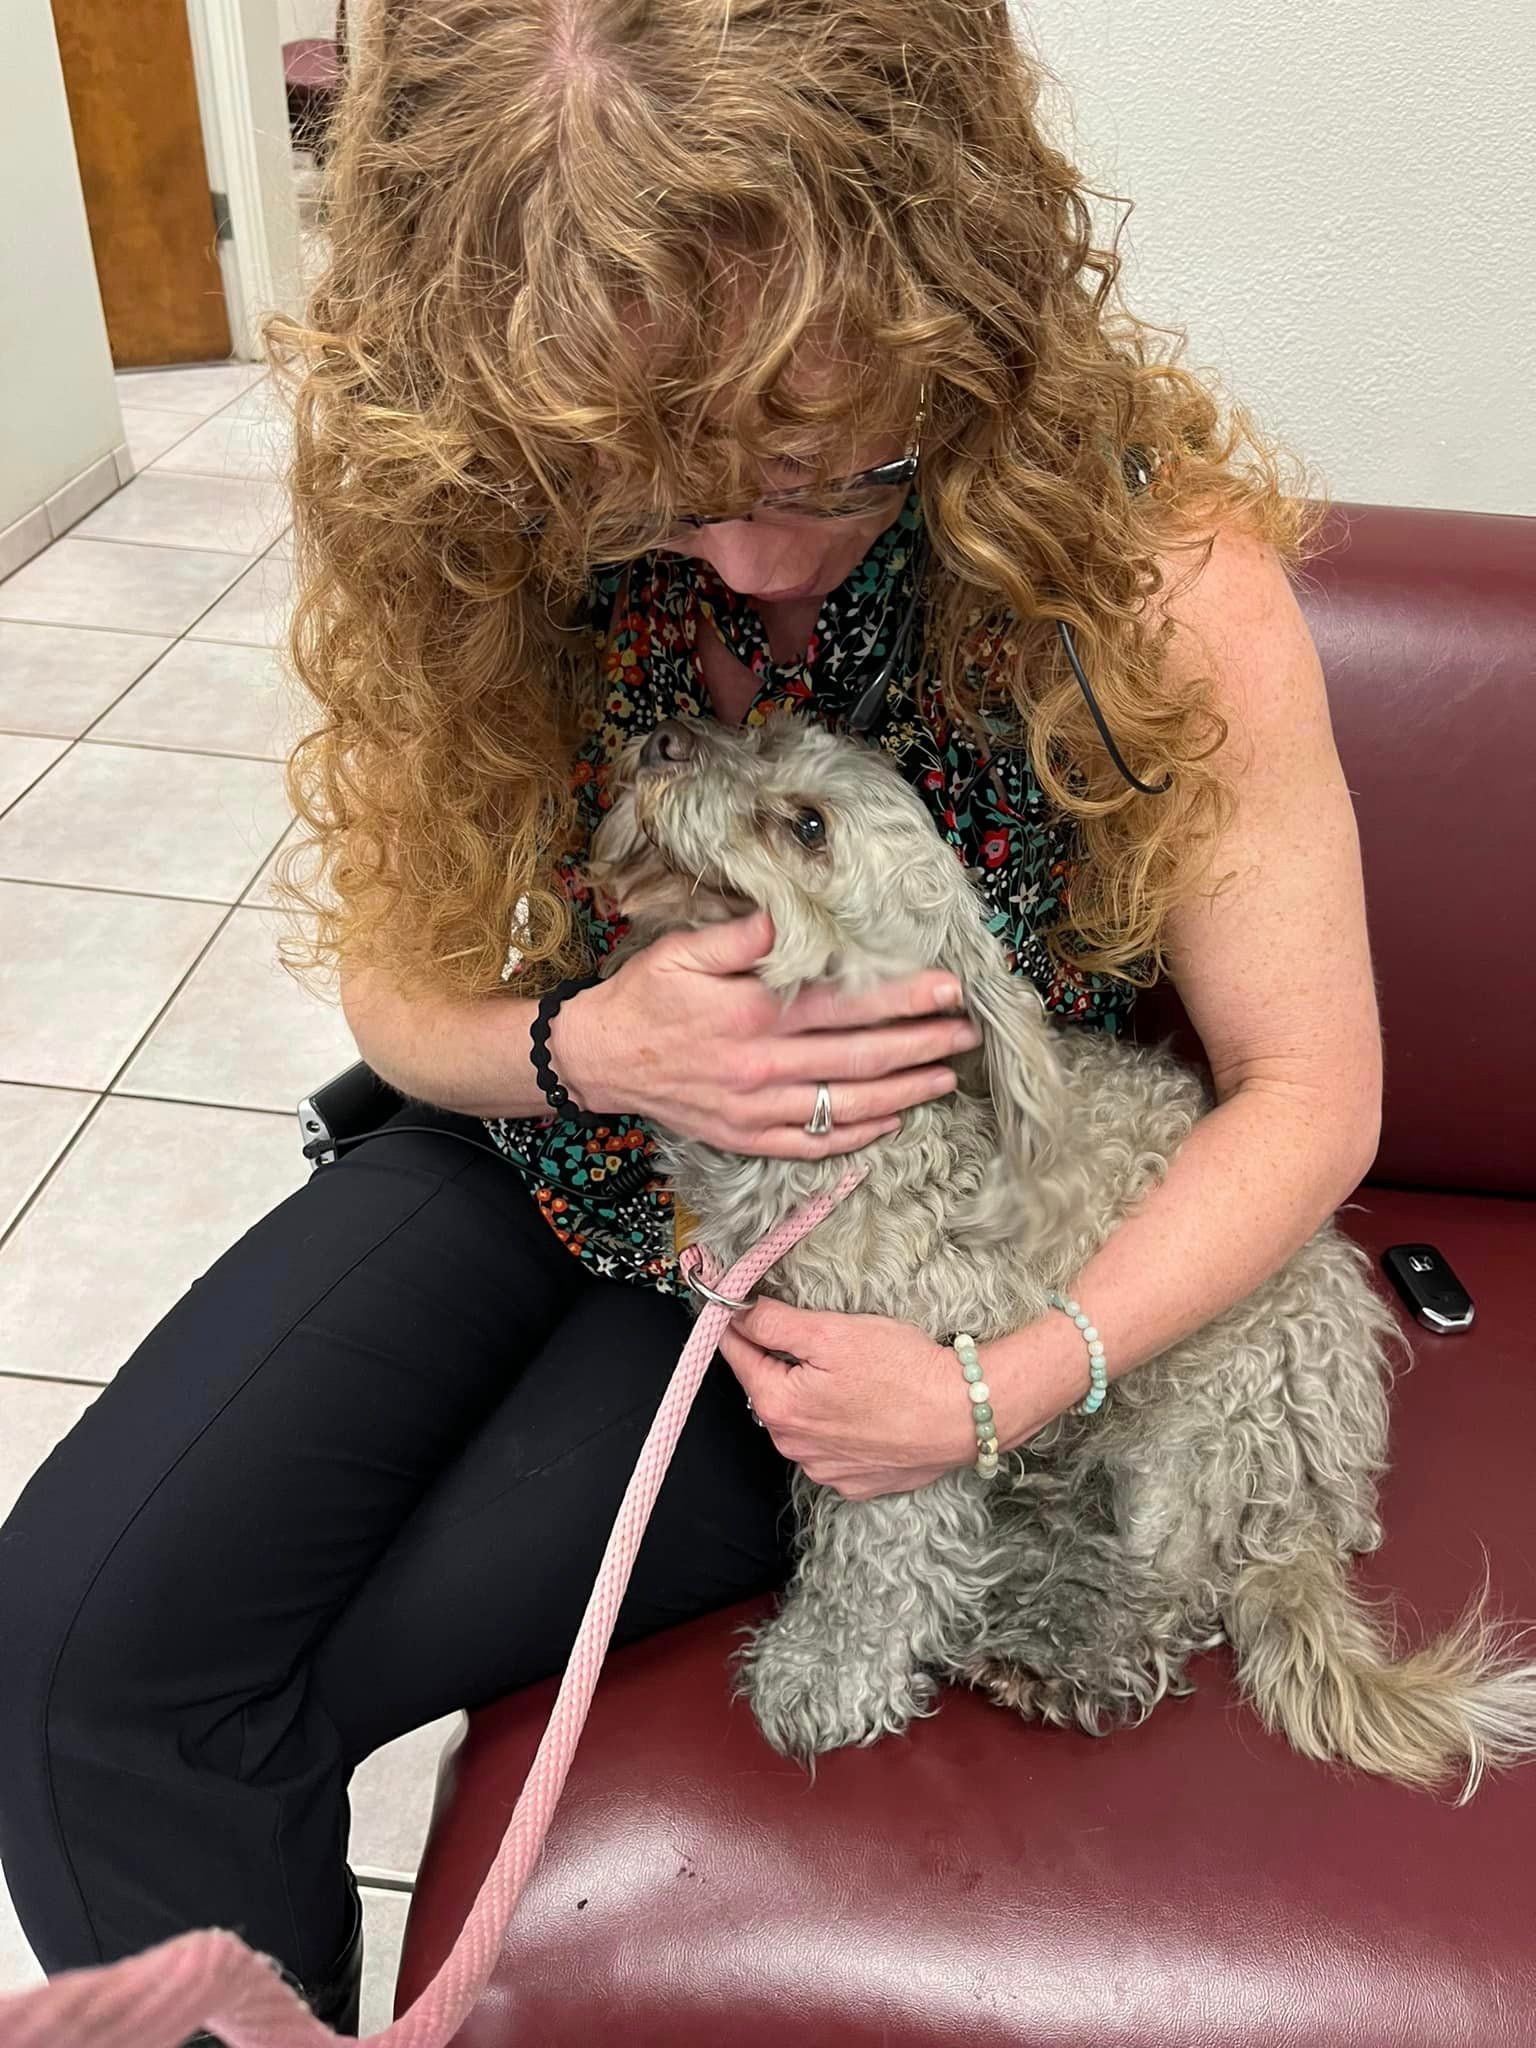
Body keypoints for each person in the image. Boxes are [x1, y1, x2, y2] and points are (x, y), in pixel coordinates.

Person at [0, 0, 1382, 2032]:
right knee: (63, 1653)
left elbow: (1311, 1092)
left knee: (242, 1689)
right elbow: (399, 980)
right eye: (650, 492)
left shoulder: (1157, 576)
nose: (745, 557)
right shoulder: (473, 511)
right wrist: (589, 1048)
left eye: (828, 462)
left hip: (883, 1255)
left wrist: (994, 1383)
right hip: (550, 1138)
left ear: (959, 297)